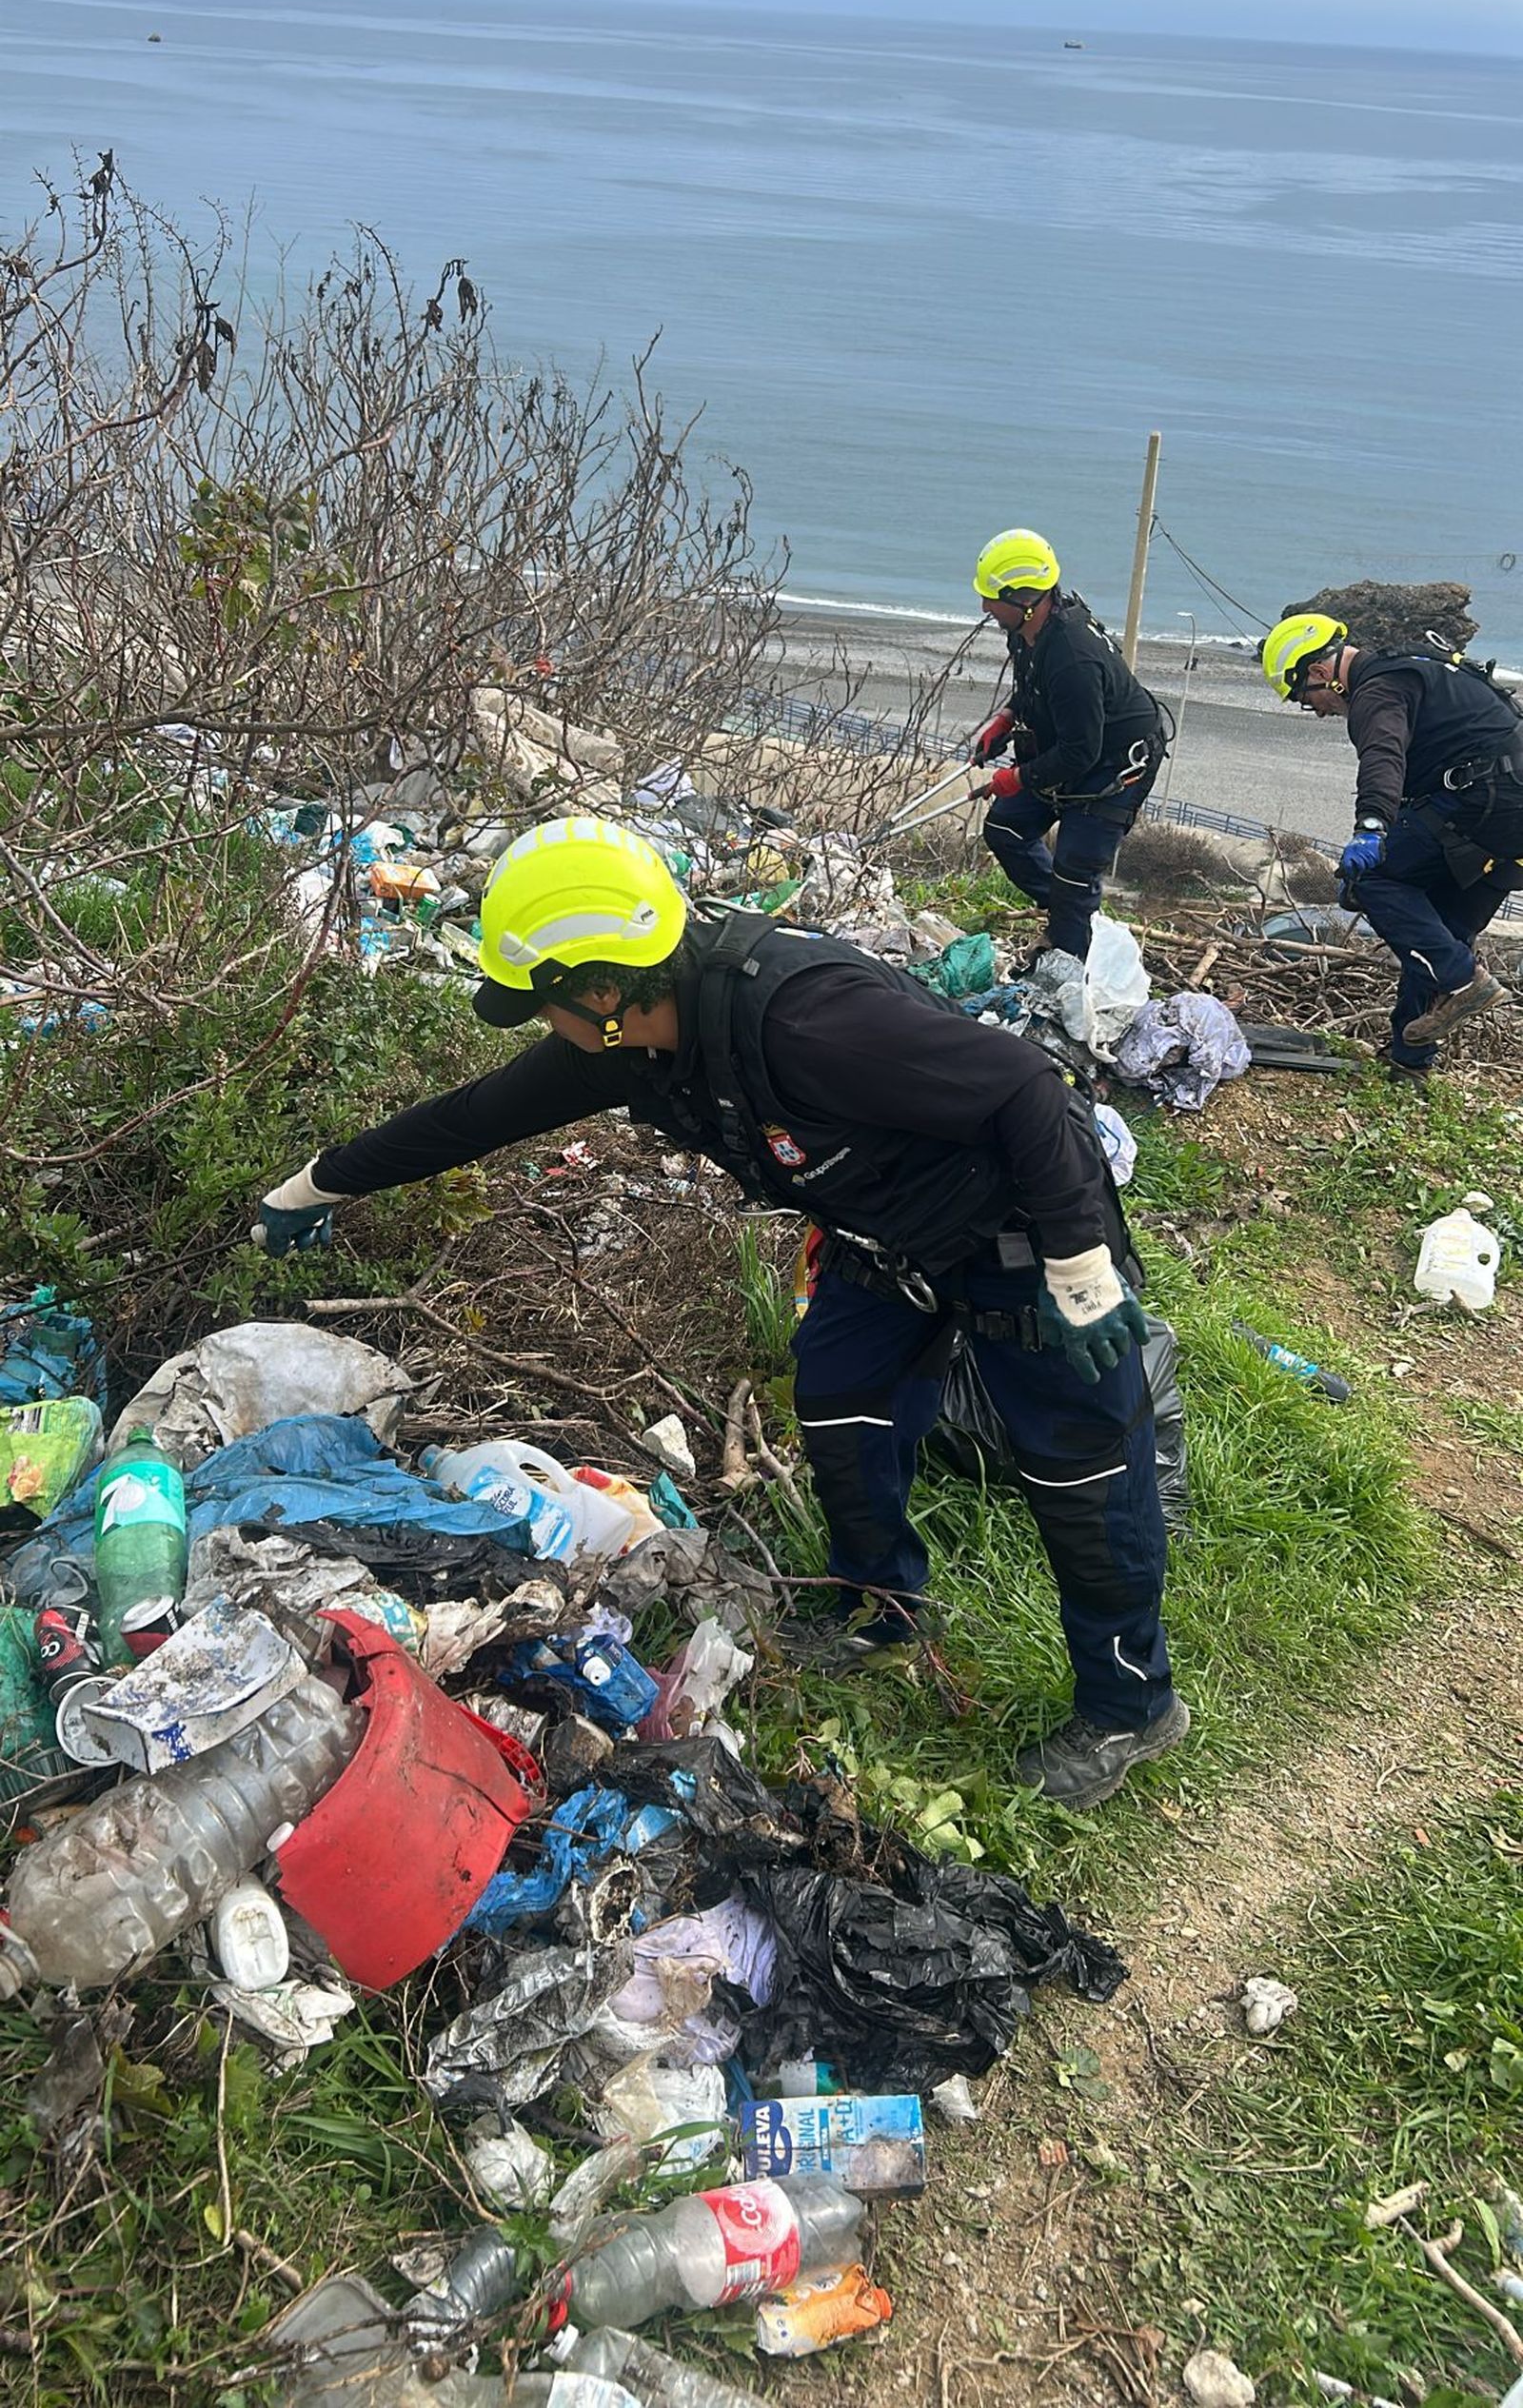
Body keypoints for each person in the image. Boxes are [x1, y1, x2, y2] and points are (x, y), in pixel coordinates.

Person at [255, 816, 1189, 1810]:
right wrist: (317, 1185)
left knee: (1081, 1473)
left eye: (542, 1004)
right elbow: (475, 1115)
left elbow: (1023, 1090)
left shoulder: (804, 1021)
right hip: (885, 1247)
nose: (542, 1026)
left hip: (1021, 1237)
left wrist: (1080, 1271)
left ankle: (1130, 1707)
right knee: (841, 1407)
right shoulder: (629, 1049)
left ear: (603, 992)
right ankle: (879, 1613)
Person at [1260, 614, 1522, 1072]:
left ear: (1321, 673)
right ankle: (1411, 1058)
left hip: (1485, 799)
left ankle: (1463, 981)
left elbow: (1383, 753)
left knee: (1371, 879)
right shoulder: (1420, 663)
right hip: (1505, 818)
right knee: (1440, 929)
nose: (1317, 710)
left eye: (1306, 698)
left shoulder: (1377, 690)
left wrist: (1373, 826)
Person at [968, 529, 1168, 962]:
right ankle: (1070, 918)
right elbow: (1031, 686)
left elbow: (1082, 751)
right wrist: (1005, 719)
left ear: (1025, 599)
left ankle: (1072, 957)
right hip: (1069, 750)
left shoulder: (1073, 658)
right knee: (1005, 829)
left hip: (1114, 764)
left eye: (992, 598)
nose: (985, 607)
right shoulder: (1026, 631)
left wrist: (1017, 777)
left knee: (1075, 867)